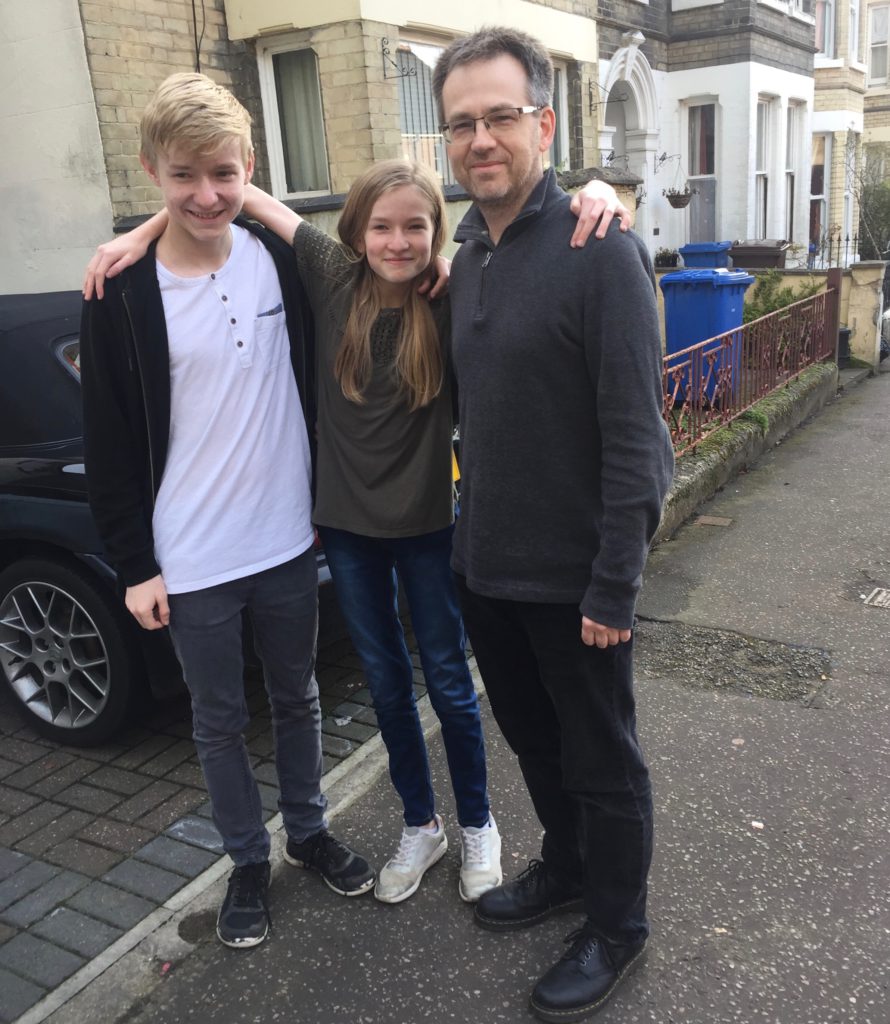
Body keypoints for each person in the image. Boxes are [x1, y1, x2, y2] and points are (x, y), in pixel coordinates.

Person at [85, 155, 631, 908]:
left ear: (438, 234)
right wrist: (142, 233)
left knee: (449, 683)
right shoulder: (328, 277)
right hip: (345, 531)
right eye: (381, 226)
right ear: (353, 232)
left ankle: (479, 824)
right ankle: (421, 823)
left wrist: (595, 196)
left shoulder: (454, 289)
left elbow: (526, 254)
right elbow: (235, 197)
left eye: (416, 227)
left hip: (430, 530)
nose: (398, 242)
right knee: (385, 686)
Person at [79, 72, 376, 951]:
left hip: (287, 535)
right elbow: (108, 440)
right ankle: (248, 861)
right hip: (192, 553)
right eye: (182, 177)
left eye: (223, 172)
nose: (204, 195)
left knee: (298, 695)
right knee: (217, 720)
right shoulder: (121, 293)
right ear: (150, 171)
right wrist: (135, 564)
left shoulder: (279, 259)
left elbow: (360, 267)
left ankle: (309, 831)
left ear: (249, 168)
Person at [431, 26, 675, 1023]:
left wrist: (614, 585)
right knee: (535, 746)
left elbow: (636, 442)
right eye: (460, 123)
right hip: (486, 571)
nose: (479, 138)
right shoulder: (467, 253)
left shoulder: (597, 246)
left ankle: (617, 922)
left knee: (602, 760)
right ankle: (568, 870)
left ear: (541, 121)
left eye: (498, 116)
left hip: (578, 587)